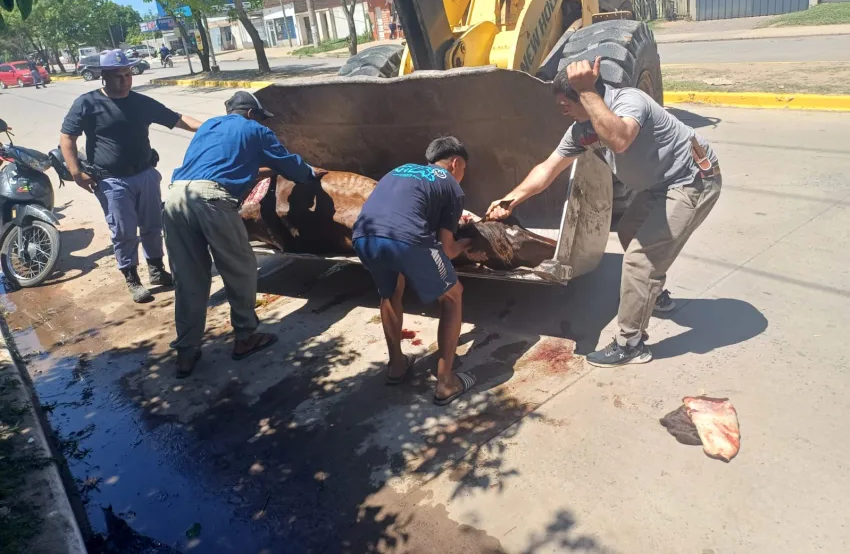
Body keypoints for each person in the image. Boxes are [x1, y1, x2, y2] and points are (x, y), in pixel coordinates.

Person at [486, 58, 722, 368]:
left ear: (586, 95)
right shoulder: (581, 130)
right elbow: (548, 168)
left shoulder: (630, 101)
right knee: (628, 233)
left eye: (565, 104)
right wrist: (510, 199)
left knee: (641, 259)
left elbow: (620, 139)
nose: (563, 111)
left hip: (691, 180)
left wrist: (586, 90)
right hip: (656, 186)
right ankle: (655, 295)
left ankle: (630, 343)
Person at [163, 91, 324, 378]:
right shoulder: (254, 128)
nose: (263, 123)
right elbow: (289, 164)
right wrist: (311, 173)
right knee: (241, 268)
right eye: (261, 118)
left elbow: (226, 167)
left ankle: (186, 352)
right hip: (212, 201)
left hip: (176, 198)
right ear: (251, 113)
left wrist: (263, 171)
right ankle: (245, 337)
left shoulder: (210, 126)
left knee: (188, 277)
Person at [60, 49, 203, 303]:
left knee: (153, 225)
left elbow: (178, 119)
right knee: (124, 231)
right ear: (103, 76)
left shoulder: (141, 103)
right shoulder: (87, 103)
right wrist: (76, 171)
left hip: (145, 175)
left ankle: (156, 269)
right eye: (117, 76)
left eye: (127, 74)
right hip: (111, 180)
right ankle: (132, 278)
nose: (124, 80)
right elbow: (67, 138)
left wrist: (211, 129)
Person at [352, 137, 480, 406]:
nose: (462, 176)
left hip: (363, 237)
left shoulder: (398, 170)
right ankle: (446, 383)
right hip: (406, 239)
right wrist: (469, 241)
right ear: (456, 163)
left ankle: (396, 365)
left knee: (390, 293)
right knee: (453, 295)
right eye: (464, 170)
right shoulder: (450, 186)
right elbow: (447, 249)